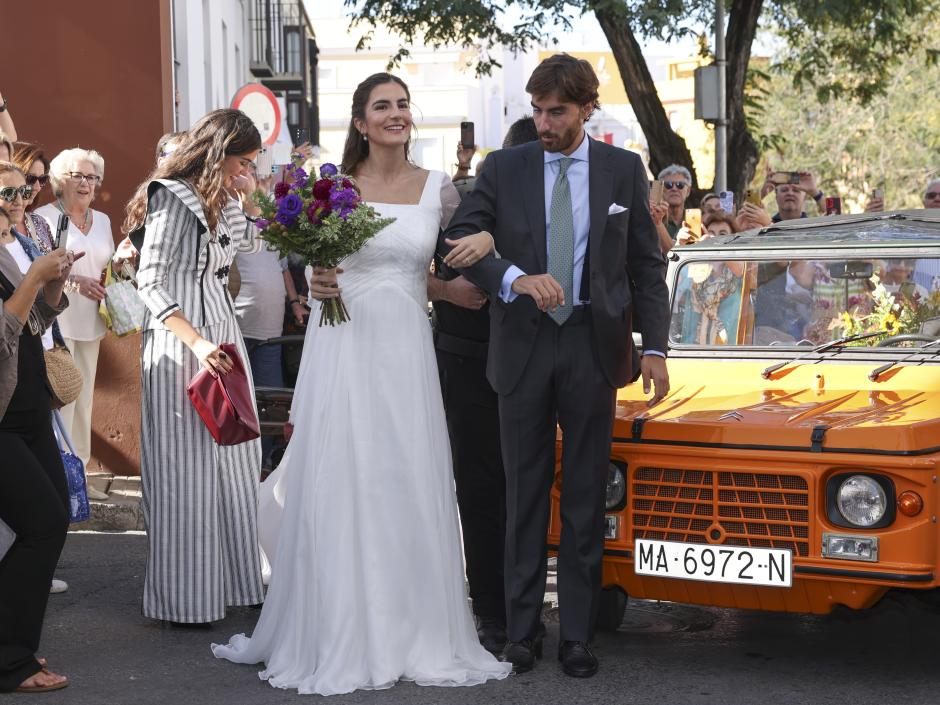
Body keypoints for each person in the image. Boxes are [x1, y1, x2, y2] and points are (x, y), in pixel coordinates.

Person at [212, 73, 511, 695]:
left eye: (403, 104)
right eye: (383, 106)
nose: (396, 114)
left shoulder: (440, 188)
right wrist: (320, 276)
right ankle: (339, 623)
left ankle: (411, 623)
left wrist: (459, 272)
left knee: (403, 470)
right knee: (346, 472)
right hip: (342, 342)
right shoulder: (336, 187)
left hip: (404, 345)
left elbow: (444, 257)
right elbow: (328, 263)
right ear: (360, 121)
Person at [443, 54, 670, 679]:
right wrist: (513, 277)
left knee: (584, 496)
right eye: (537, 110)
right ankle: (522, 633)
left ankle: (577, 635)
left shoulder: (623, 170)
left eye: (557, 112)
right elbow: (461, 236)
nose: (544, 122)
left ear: (586, 109)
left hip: (594, 346)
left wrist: (655, 347)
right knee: (524, 494)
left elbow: (646, 266)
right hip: (521, 344)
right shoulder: (504, 166)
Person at [122, 109, 266, 625]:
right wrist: (197, 342)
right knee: (186, 471)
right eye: (241, 161)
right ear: (218, 151)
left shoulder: (223, 195)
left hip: (221, 335)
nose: (245, 170)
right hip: (179, 344)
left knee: (234, 463)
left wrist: (246, 196)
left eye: (251, 163)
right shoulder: (170, 196)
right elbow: (151, 280)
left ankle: (235, 584)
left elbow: (244, 246)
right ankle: (187, 601)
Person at [427, 116, 538, 657]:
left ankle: (526, 611)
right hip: (469, 365)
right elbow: (439, 259)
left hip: (540, 363)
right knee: (480, 490)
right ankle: (491, 611)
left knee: (530, 490)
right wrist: (450, 288)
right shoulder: (466, 204)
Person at [0, 205, 77, 694]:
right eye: (7, 191)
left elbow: (26, 325)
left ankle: (13, 646)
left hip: (29, 411)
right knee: (42, 524)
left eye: (22, 191)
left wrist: (49, 290)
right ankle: (11, 660)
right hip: (3, 422)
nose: (17, 202)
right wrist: (32, 276)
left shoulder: (6, 253)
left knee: (52, 521)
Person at [34, 149, 114, 496]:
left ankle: (77, 480)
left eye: (92, 177)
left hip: (92, 322)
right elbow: (36, 271)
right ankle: (55, 479)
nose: (86, 184)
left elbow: (106, 264)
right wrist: (75, 282)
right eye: (77, 176)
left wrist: (117, 274)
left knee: (83, 404)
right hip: (57, 324)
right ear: (59, 180)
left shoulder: (105, 221)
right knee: (58, 402)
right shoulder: (42, 219)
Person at [10, 143, 53, 252]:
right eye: (30, 179)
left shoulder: (39, 222)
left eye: (42, 179)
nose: (37, 187)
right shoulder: (3, 223)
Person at [657, 164, 692, 240]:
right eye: (668, 185)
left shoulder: (696, 220)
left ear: (688, 191)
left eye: (680, 185)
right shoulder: (653, 220)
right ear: (661, 190)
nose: (674, 188)